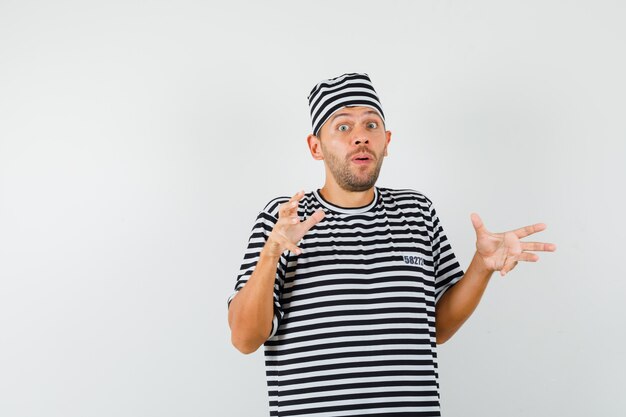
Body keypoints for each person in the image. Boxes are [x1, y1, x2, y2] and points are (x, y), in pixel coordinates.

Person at [227, 72, 556, 416]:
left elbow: (438, 328)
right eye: (342, 127)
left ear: (386, 140)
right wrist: (271, 252)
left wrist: (482, 266)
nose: (360, 138)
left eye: (371, 125)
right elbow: (244, 339)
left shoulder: (417, 212)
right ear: (315, 146)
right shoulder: (285, 219)